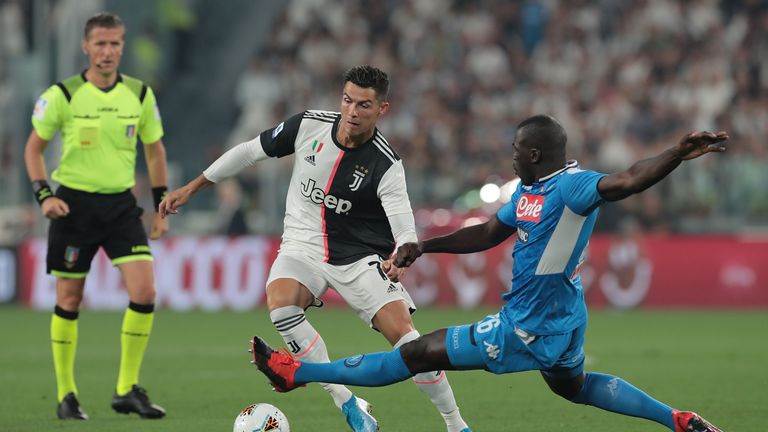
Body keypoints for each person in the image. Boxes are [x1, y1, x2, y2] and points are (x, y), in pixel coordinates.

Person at [249, 115, 727, 432]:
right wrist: (424, 247)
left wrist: (675, 154)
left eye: (518, 149)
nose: (512, 155)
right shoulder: (529, 191)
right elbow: (487, 234)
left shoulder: (573, 187)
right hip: (564, 316)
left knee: (414, 353)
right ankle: (679, 420)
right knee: (575, 387)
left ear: (536, 154)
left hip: (525, 326)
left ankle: (298, 373)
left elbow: (627, 179)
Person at [160, 65, 471, 432]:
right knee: (281, 305)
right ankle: (348, 402)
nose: (352, 112)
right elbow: (248, 152)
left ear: (382, 109)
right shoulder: (308, 125)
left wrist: (402, 254)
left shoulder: (386, 164)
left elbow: (404, 226)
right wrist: (192, 187)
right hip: (302, 246)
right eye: (347, 100)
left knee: (408, 340)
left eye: (364, 105)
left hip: (358, 258)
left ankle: (456, 424)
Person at [24, 12, 168, 420]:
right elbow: (33, 149)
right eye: (100, 44)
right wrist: (44, 196)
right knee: (70, 299)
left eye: (115, 44)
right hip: (73, 207)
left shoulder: (139, 95)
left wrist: (160, 205)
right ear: (86, 47)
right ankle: (66, 395)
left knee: (145, 292)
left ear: (123, 46)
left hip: (121, 206)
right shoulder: (63, 95)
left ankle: (125, 389)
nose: (108, 51)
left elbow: (154, 150)